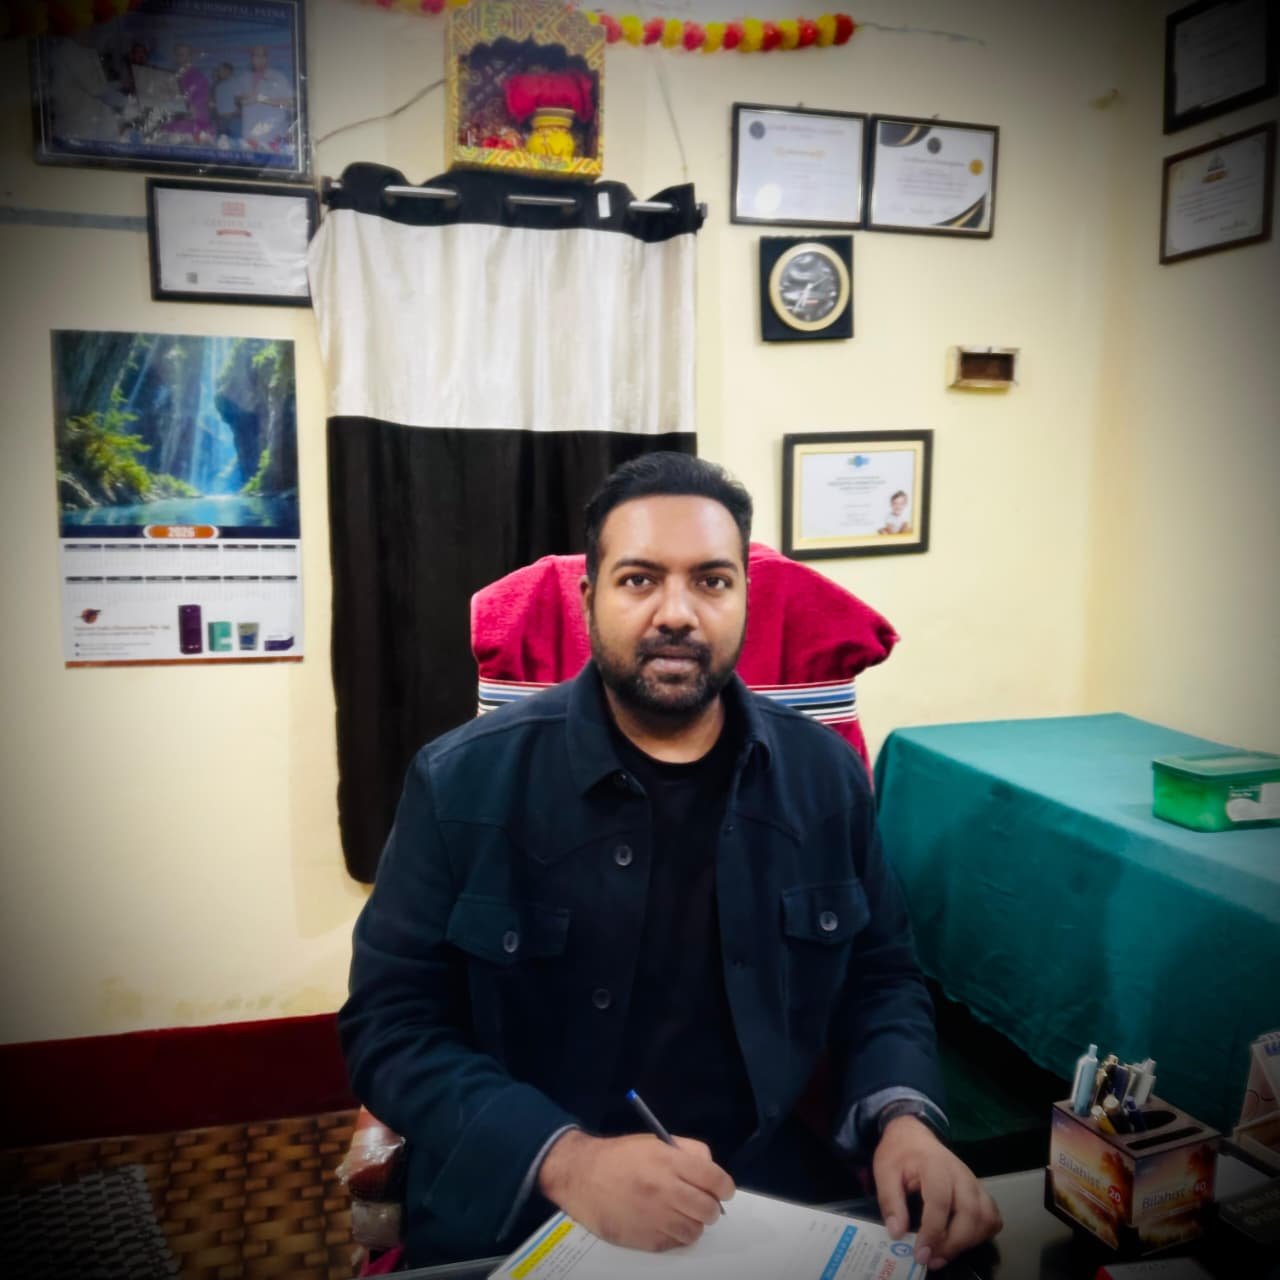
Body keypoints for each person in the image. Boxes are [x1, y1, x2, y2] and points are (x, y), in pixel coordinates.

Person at [339, 453, 1001, 1271]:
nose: (677, 613)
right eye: (640, 580)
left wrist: (904, 1118)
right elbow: (390, 1024)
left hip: (767, 1199)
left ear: (746, 599)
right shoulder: (461, 782)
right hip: (526, 1203)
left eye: (712, 582)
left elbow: (881, 976)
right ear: (589, 600)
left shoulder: (823, 778)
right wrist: (566, 1159)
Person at [236, 44, 294, 151]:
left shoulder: (278, 77)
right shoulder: (243, 78)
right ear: (251, 58)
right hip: (249, 137)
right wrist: (241, 100)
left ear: (267, 58)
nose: (259, 59)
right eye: (256, 56)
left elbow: (290, 102)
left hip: (273, 138)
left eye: (263, 56)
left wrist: (261, 99)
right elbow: (238, 100)